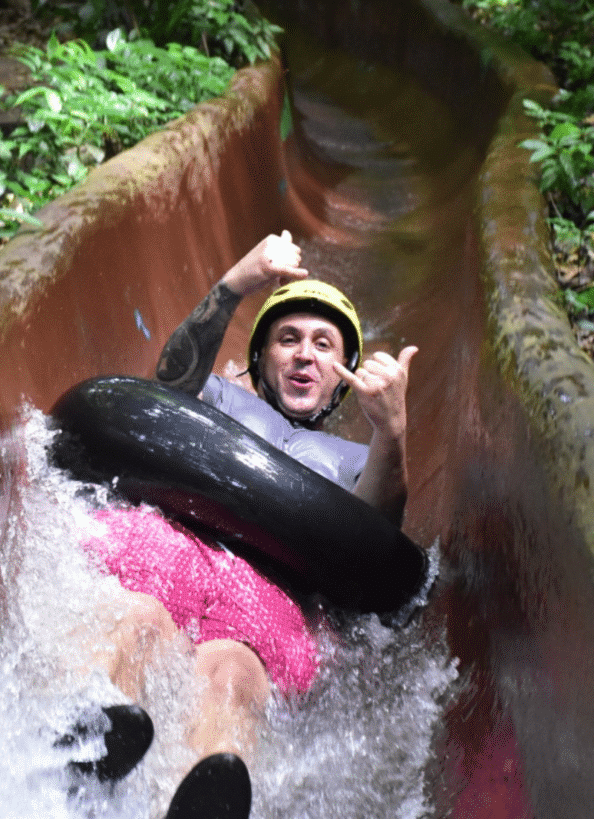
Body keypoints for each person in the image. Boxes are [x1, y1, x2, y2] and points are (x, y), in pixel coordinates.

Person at [65, 231, 417, 819]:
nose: (305, 354)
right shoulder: (218, 398)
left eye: (324, 345)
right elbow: (167, 384)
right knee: (144, 614)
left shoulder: (358, 462)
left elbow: (375, 549)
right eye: (288, 339)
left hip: (267, 583)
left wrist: (393, 433)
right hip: (180, 537)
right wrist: (236, 283)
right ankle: (85, 733)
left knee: (229, 670)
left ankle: (200, 794)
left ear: (343, 376)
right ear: (260, 357)